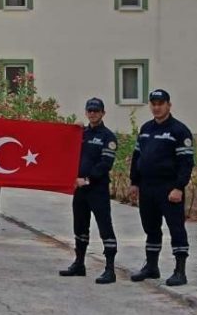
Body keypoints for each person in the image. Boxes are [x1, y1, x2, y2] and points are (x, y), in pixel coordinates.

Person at [129, 89, 194, 287]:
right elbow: (137, 157)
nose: (157, 107)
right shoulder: (146, 128)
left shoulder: (179, 130)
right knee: (151, 228)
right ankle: (151, 266)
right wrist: (134, 182)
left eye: (161, 103)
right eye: (154, 104)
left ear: (169, 105)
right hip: (147, 187)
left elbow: (186, 162)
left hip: (169, 188)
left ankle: (180, 271)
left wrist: (178, 187)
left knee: (176, 228)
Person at [59, 98, 118, 284]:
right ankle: (79, 263)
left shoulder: (108, 137)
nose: (93, 114)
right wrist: (71, 132)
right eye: (90, 110)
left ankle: (110, 269)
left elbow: (105, 165)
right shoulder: (81, 133)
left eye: (96, 111)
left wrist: (86, 179)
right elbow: (65, 151)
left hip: (97, 189)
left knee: (105, 228)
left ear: (103, 113)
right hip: (80, 190)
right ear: (86, 112)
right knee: (80, 227)